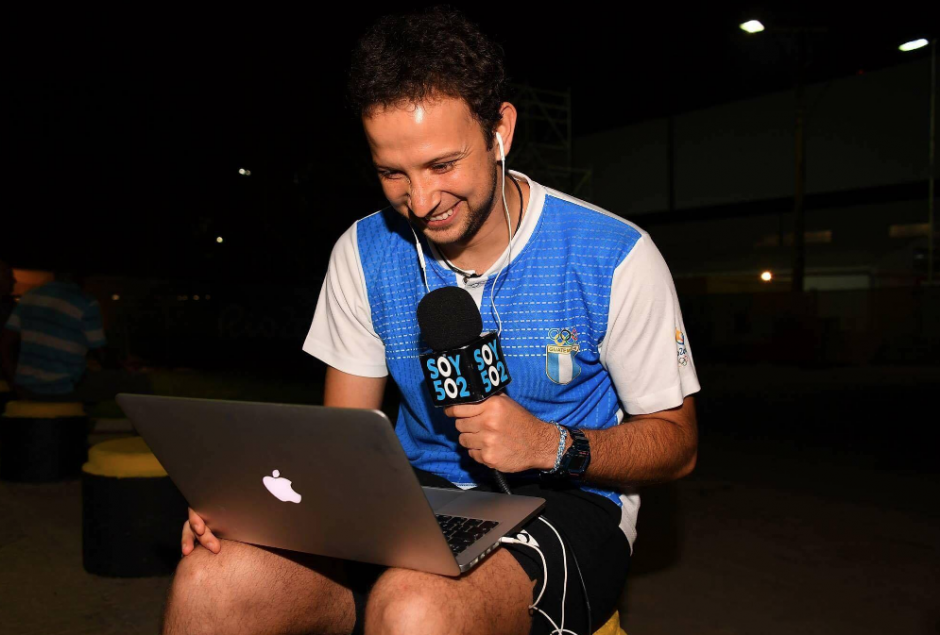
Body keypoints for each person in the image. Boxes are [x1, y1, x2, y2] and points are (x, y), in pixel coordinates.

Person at [168, 7, 699, 635]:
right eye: (393, 173)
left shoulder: (613, 255)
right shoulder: (363, 253)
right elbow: (344, 439)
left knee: (416, 606)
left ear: (501, 130)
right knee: (212, 581)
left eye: (442, 165)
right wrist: (257, 509)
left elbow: (677, 445)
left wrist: (548, 445)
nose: (420, 202)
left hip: (571, 500)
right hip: (409, 493)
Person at [0, 271, 107, 401]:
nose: (14, 281)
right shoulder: (86, 302)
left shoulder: (30, 296)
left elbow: (6, 343)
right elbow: (100, 350)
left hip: (27, 386)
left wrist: (15, 381)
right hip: (66, 387)